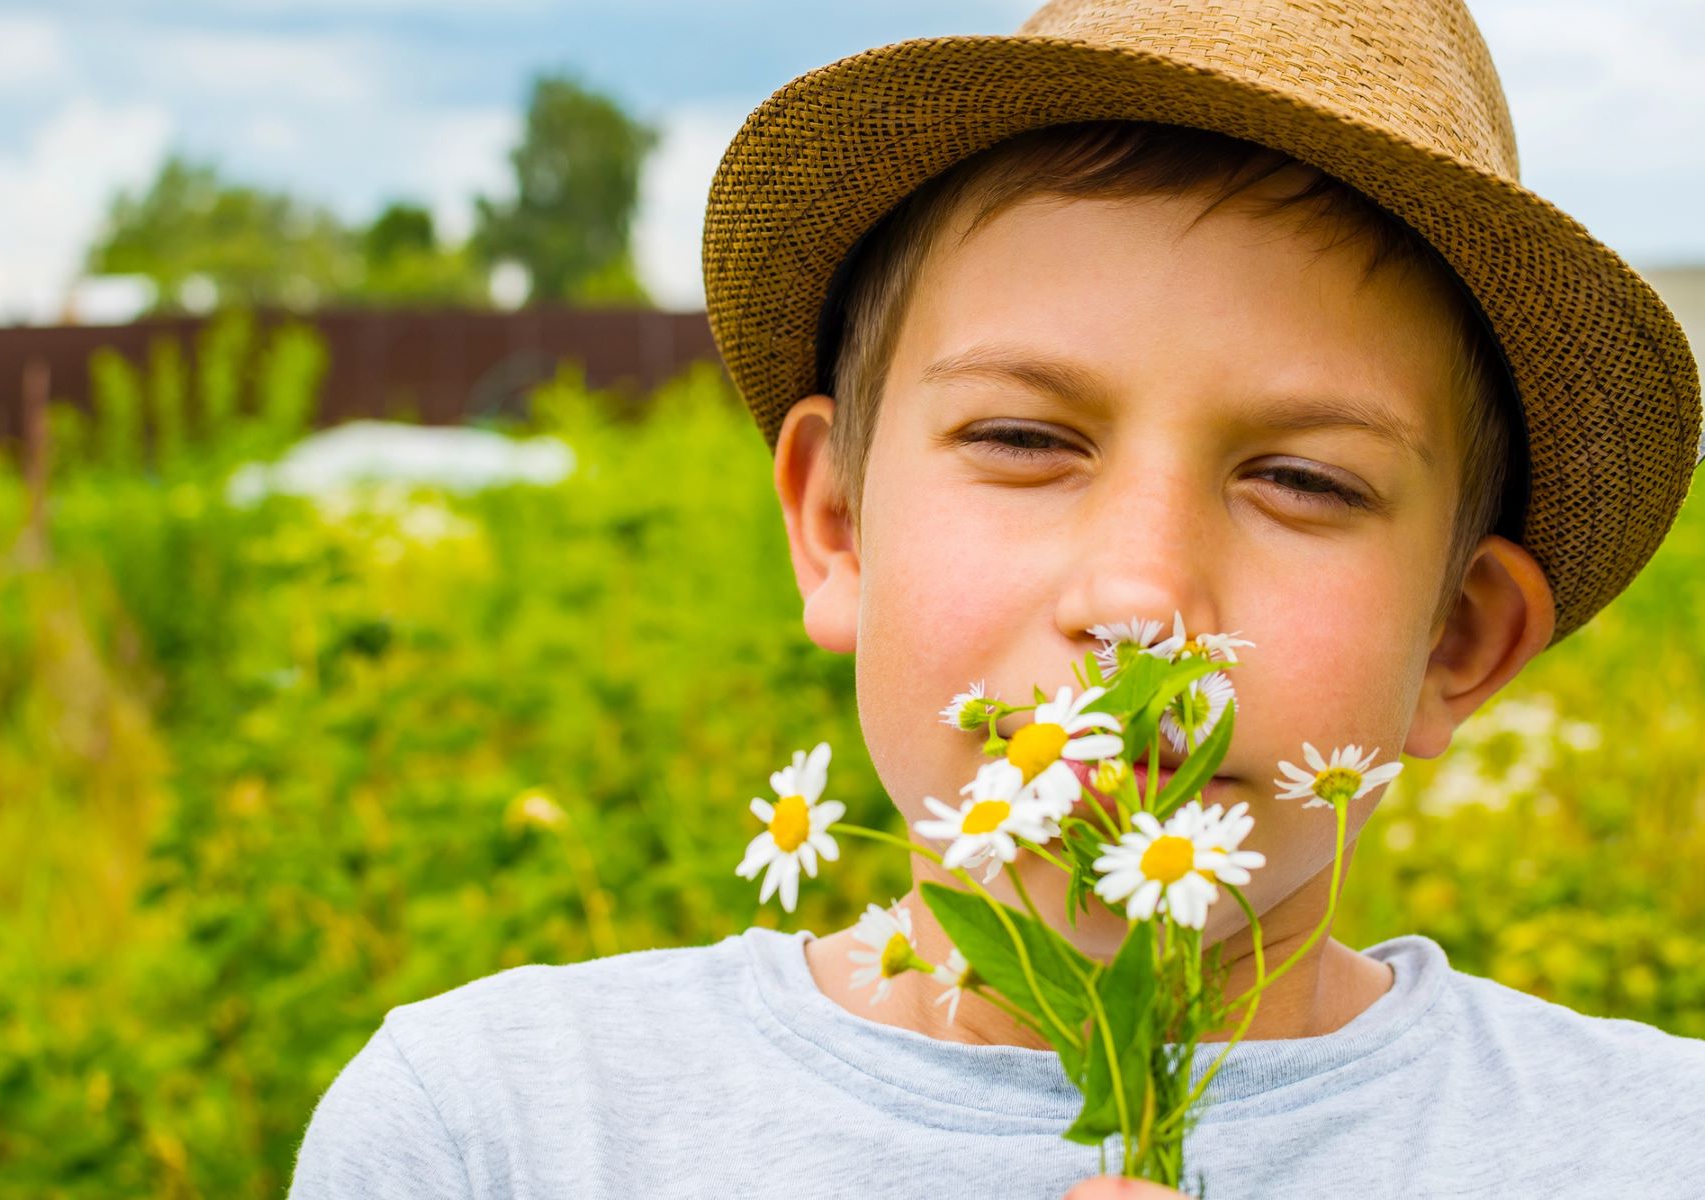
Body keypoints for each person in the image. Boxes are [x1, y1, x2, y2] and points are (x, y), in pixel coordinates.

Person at [288, 1, 1705, 1196]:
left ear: (1458, 641)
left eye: (1303, 482)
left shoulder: (1645, 1153)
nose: (1143, 601)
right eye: (1026, 441)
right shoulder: (507, 1133)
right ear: (839, 524)